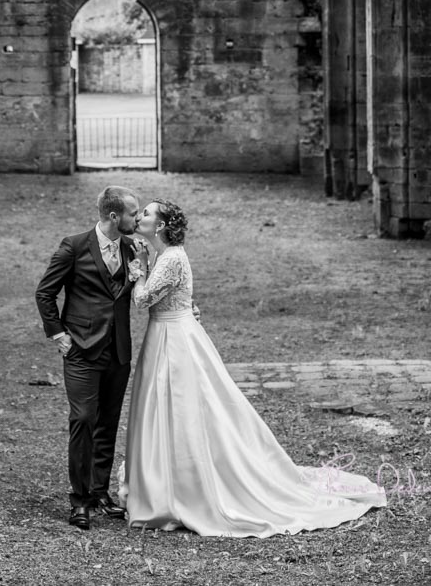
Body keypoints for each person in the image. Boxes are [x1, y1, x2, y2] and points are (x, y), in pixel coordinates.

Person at [119, 198, 388, 537]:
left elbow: (142, 300)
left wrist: (138, 272)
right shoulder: (165, 255)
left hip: (174, 340)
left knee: (182, 407)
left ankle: (184, 490)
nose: (140, 216)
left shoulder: (170, 258)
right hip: (167, 333)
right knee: (166, 407)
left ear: (159, 226)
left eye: (146, 212)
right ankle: (164, 483)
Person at [35, 184, 140, 531]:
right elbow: (45, 292)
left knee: (108, 422)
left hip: (118, 350)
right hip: (81, 349)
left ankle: (99, 493)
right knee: (83, 419)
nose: (137, 219)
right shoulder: (74, 246)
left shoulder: (131, 248)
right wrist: (59, 334)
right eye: (132, 213)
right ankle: (79, 500)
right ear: (114, 215)